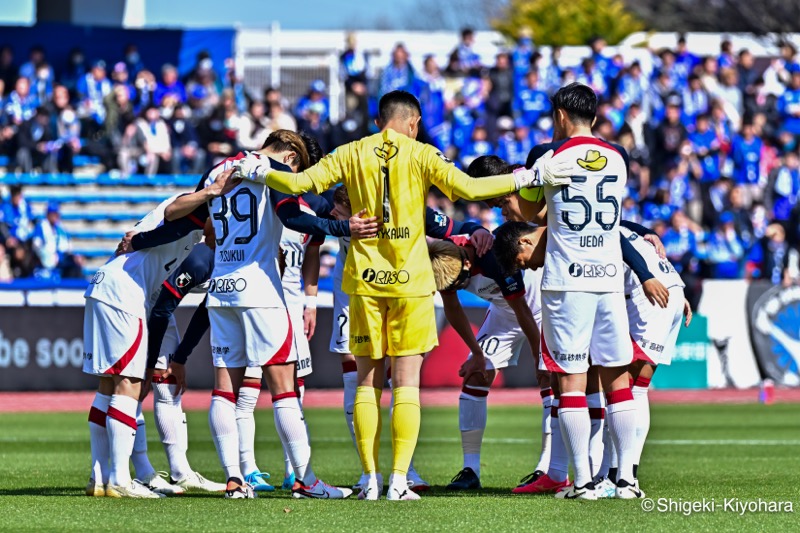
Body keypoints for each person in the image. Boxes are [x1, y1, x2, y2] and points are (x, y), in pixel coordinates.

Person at [232, 90, 571, 500]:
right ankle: (398, 481)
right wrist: (527, 177)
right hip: (410, 283)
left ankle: (369, 481)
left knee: (366, 385)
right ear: (413, 123)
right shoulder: (423, 153)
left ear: (379, 121)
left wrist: (259, 169)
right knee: (407, 384)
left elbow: (299, 183)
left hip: (364, 282)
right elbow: (466, 187)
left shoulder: (350, 152)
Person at [164, 130, 354, 499]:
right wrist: (343, 227)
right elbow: (294, 218)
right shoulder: (272, 169)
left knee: (225, 390)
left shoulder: (219, 168)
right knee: (284, 390)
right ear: (293, 158)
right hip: (260, 290)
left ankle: (234, 481)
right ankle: (306, 481)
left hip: (221, 289)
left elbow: (204, 228)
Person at [514, 82, 643, 500]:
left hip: (567, 281)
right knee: (617, 378)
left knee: (570, 380)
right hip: (608, 277)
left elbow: (530, 211)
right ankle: (626, 480)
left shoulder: (549, 155)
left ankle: (584, 483)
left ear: (560, 116)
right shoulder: (618, 158)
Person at [328, 184, 492, 493]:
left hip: (397, 288)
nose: (334, 214)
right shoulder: (335, 209)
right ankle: (370, 474)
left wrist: (477, 228)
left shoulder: (402, 215)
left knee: (397, 375)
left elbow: (450, 226)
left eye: (341, 212)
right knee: (359, 374)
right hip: (351, 287)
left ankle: (406, 470)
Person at [82, 172, 235, 498]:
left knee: (108, 385)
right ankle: (121, 480)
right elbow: (172, 210)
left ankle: (100, 476)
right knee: (130, 385)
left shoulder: (191, 235)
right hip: (124, 293)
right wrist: (213, 191)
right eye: (223, 227)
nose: (223, 236)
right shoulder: (186, 210)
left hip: (105, 286)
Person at [429, 234, 542, 492]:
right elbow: (453, 308)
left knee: (549, 379)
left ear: (467, 264)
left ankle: (547, 468)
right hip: (504, 310)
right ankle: (471, 470)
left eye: (460, 284)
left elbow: (523, 309)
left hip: (537, 306)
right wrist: (477, 354)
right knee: (475, 377)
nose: (456, 288)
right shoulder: (443, 262)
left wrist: (538, 354)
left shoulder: (494, 260)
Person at [31, 202, 83, 279]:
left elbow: (69, 246)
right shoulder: (41, 227)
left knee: (75, 264)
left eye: (56, 214)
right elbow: (36, 245)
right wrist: (47, 254)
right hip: (47, 260)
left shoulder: (60, 228)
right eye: (52, 214)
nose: (54, 216)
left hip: (61, 260)